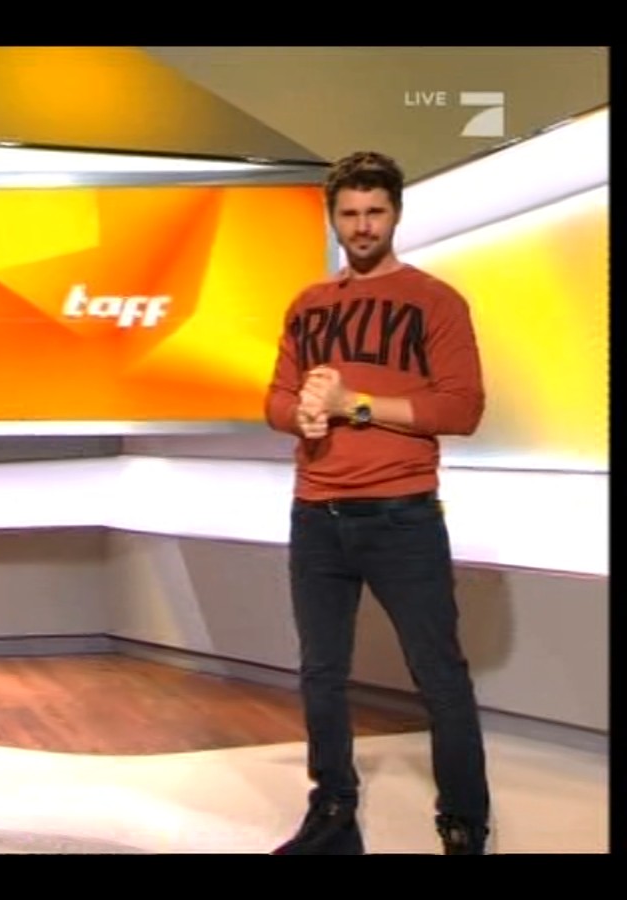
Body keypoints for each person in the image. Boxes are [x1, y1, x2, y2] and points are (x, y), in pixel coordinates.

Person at [263, 151, 491, 855]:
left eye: (375, 212)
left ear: (395, 214)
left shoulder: (435, 301)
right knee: (320, 674)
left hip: (402, 515)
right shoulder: (308, 303)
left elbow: (462, 408)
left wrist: (352, 404)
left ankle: (463, 822)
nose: (363, 226)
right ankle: (333, 813)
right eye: (350, 213)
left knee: (439, 674)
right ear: (333, 218)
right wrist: (300, 415)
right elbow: (275, 398)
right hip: (316, 514)